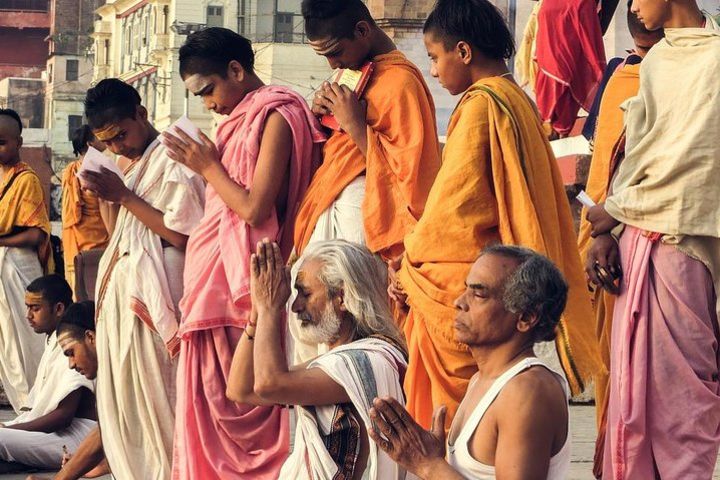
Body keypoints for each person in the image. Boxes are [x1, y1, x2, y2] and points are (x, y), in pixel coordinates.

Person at [390, 0, 602, 430]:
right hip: (505, 281)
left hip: (468, 282)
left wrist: (408, 264)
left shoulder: (481, 106)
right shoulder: (517, 100)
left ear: (463, 52)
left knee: (447, 428)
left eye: (434, 57)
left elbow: (454, 214)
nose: (432, 71)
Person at [161, 28, 324, 479]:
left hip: (247, 284)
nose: (209, 104)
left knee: (247, 402)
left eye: (209, 90)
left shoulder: (277, 112)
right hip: (210, 279)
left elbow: (254, 208)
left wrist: (207, 165)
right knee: (207, 400)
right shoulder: (234, 121)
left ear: (237, 69)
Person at [585, 2, 720, 478]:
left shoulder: (715, 61)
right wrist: (612, 226)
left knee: (683, 400)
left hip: (684, 246)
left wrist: (616, 212)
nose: (633, 5)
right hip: (636, 242)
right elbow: (636, 161)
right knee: (634, 395)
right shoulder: (659, 60)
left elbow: (697, 169)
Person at [291, 0, 442, 362]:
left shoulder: (401, 82)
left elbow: (413, 175)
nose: (332, 64)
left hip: (367, 223)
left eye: (336, 52)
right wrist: (324, 119)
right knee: (312, 326)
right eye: (323, 56)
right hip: (329, 211)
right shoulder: (356, 74)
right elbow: (335, 157)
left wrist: (356, 123)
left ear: (362, 31)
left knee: (356, 320)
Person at [81, 78, 205, 479]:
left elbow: (184, 234)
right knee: (127, 406)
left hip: (159, 296)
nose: (118, 146)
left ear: (142, 114)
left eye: (121, 135)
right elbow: (118, 231)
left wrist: (125, 196)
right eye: (108, 142)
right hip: (124, 299)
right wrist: (107, 196)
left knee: (159, 404)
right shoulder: (127, 166)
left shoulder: (175, 155)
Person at [371, 245, 571, 479]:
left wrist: (429, 465)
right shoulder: (482, 379)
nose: (459, 302)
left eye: (479, 294)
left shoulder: (526, 390)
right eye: (466, 289)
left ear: (525, 317)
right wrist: (437, 462)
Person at [227, 239, 408, 480]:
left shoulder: (368, 360)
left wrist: (270, 307)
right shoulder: (333, 364)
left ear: (342, 298)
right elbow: (241, 390)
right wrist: (257, 313)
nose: (295, 307)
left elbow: (268, 384)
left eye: (306, 293)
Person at [576, 4, 664, 476]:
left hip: (664, 236)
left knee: (657, 374)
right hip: (610, 231)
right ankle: (612, 457)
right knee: (616, 363)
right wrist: (600, 230)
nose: (647, 60)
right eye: (642, 51)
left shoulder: (690, 73)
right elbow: (603, 159)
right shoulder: (619, 73)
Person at [0, 276, 95, 474]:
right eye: (27, 308)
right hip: (59, 434)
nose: (28, 315)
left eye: (35, 308)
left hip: (79, 437)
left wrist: (10, 430)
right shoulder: (53, 340)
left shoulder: (72, 341)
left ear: (59, 308)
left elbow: (63, 417)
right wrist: (10, 425)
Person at [0, 108, 52, 412]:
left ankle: (37, 407)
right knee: (6, 343)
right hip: (2, 266)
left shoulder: (27, 179)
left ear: (19, 142)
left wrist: (2, 241)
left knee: (27, 341)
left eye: (3, 142)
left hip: (19, 267)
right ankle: (21, 408)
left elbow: (36, 235)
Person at [25, 301, 109, 480]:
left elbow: (103, 433)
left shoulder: (125, 370)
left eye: (71, 353)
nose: (71, 364)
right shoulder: (109, 374)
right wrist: (99, 465)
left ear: (91, 338)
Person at [534, 0, 606, 137]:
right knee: (558, 107)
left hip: (552, 59)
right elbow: (591, 44)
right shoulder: (583, 4)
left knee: (556, 106)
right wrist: (600, 73)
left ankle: (554, 131)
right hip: (556, 60)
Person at [61, 125, 110, 296]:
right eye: (99, 136)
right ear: (90, 143)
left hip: (80, 238)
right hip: (94, 238)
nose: (104, 138)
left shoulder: (71, 169)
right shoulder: (97, 169)